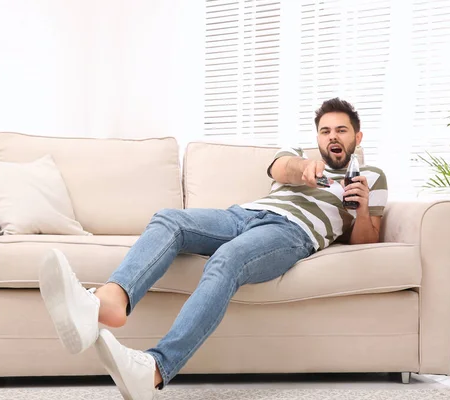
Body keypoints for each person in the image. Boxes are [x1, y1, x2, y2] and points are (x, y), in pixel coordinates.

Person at [38, 98, 388, 400]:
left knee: (227, 260)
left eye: (341, 131)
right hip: (242, 215)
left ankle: (155, 369)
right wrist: (304, 169)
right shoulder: (299, 159)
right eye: (325, 131)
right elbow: (283, 168)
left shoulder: (371, 176)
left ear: (357, 137)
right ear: (318, 138)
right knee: (169, 219)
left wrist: (359, 208)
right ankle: (109, 301)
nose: (333, 137)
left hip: (292, 232)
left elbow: (366, 241)